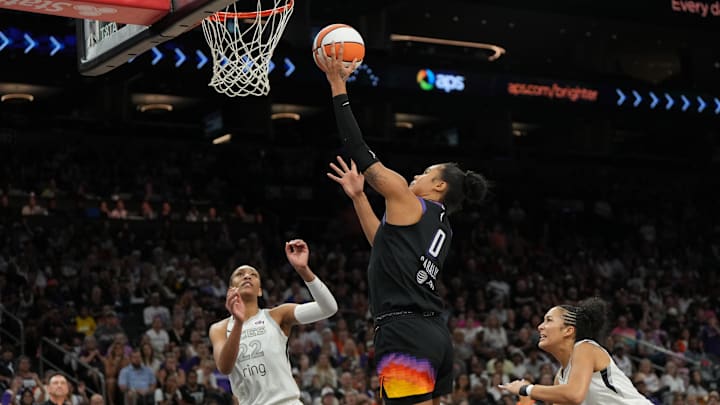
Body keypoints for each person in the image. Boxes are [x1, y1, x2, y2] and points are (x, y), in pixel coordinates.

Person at [318, 45, 489, 405]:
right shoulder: (440, 225)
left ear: (439, 186)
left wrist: (338, 86)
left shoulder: (407, 199)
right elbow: (383, 243)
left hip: (404, 330)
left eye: (427, 172)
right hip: (434, 333)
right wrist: (359, 198)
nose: (417, 174)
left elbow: (357, 147)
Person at [208, 239, 338, 405]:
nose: (247, 275)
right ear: (230, 290)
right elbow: (224, 367)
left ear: (260, 291)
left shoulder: (277, 315)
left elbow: (329, 308)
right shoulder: (219, 328)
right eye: (240, 274)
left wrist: (303, 270)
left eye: (253, 274)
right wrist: (239, 323)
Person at [499, 297, 652, 404]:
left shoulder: (585, 347)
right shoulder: (560, 378)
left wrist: (527, 389)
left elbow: (575, 395)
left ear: (568, 330)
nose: (540, 326)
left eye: (549, 320)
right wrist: (526, 402)